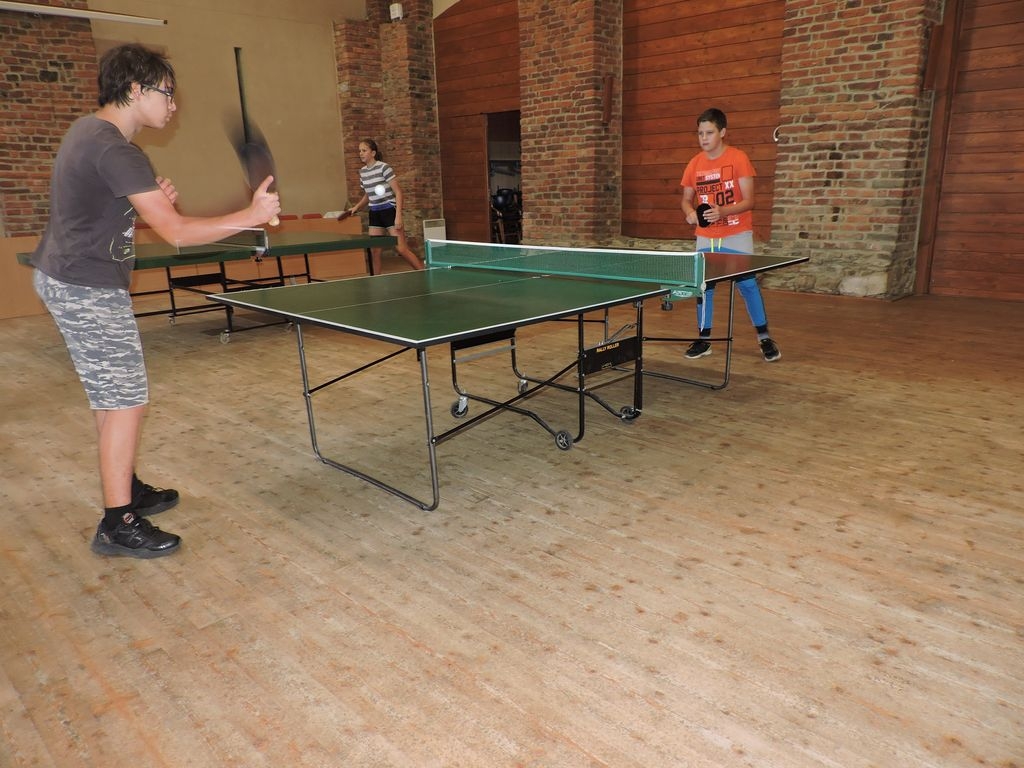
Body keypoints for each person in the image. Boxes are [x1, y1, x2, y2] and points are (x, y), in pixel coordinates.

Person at [30, 43, 280, 558]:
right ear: (135, 89)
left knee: (111, 395)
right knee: (126, 400)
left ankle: (125, 487)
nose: (173, 105)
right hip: (86, 287)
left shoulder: (90, 133)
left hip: (67, 277)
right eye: (166, 93)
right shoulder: (116, 150)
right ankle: (118, 522)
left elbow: (105, 207)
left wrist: (150, 200)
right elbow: (177, 233)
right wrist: (250, 216)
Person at [679, 108, 781, 362]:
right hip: (706, 236)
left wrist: (722, 211)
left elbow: (749, 201)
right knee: (704, 288)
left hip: (736, 233)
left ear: (722, 132)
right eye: (700, 133)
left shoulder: (738, 158)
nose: (704, 138)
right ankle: (704, 340)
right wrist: (690, 212)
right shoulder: (694, 163)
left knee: (747, 285)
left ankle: (764, 338)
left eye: (709, 132)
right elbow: (686, 199)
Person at [345, 139, 424, 272]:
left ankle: (424, 272)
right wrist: (357, 207)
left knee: (401, 248)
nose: (361, 153)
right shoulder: (363, 172)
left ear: (373, 153)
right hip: (375, 212)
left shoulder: (384, 168)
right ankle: (376, 280)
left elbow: (398, 192)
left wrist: (398, 216)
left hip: (389, 210)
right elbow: (368, 195)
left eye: (364, 150)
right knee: (375, 251)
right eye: (359, 151)